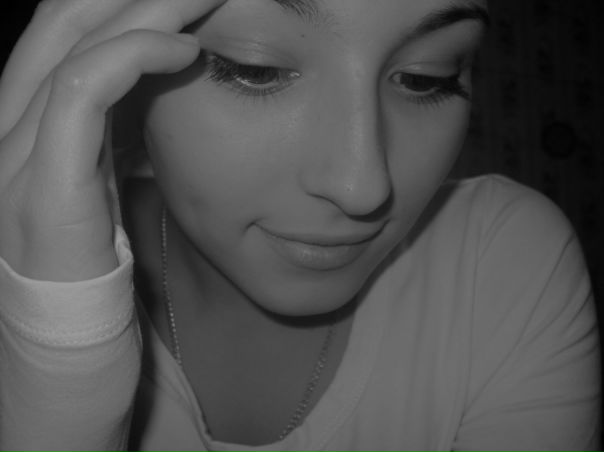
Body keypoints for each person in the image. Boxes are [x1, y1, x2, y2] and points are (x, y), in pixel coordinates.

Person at [0, 0, 600, 450]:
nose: (363, 187)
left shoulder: (503, 263)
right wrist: (61, 353)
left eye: (426, 77)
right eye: (256, 69)